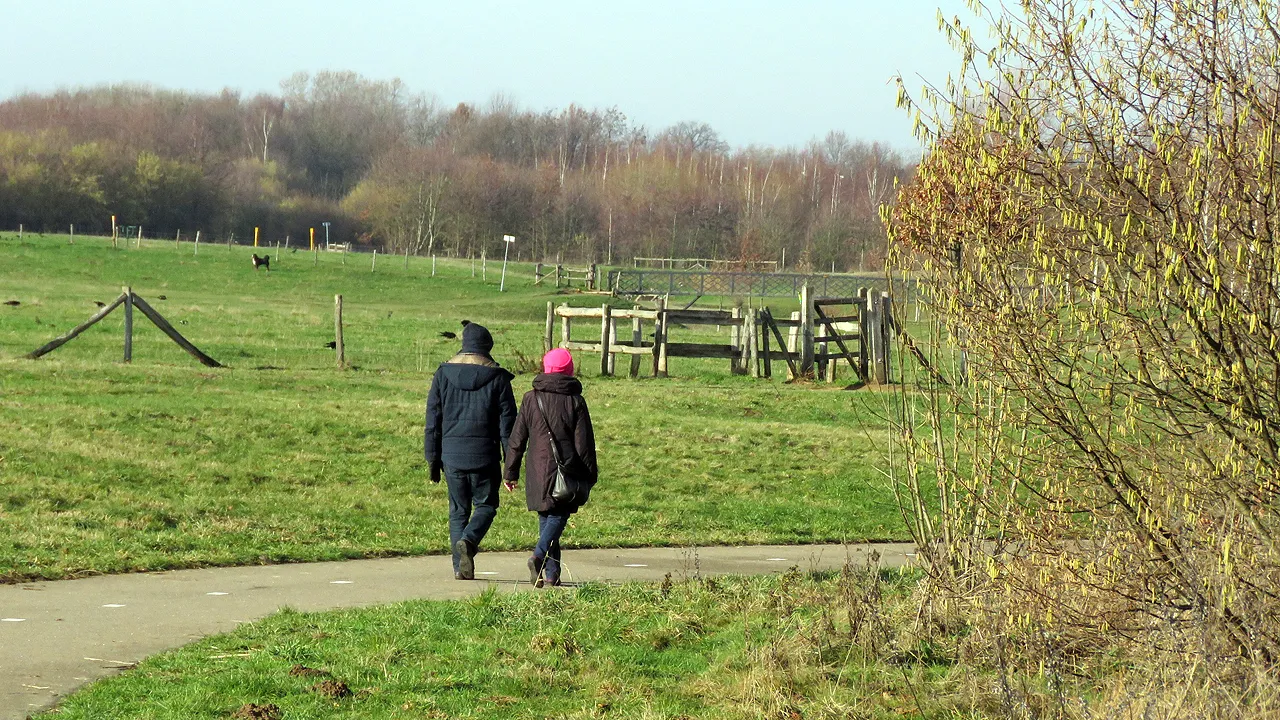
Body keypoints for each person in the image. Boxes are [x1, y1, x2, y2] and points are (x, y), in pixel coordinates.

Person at [424, 322, 517, 580]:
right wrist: (511, 467)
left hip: (451, 456)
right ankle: (470, 540)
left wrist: (432, 459)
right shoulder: (498, 379)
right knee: (486, 505)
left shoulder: (442, 374)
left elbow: (433, 421)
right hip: (485, 457)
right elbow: (508, 428)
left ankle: (459, 567)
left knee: (458, 511)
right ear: (487, 347)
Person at [504, 348, 598, 587]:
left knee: (547, 516)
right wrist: (589, 475)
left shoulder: (530, 398)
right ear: (570, 370)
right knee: (557, 515)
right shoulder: (575, 401)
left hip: (536, 468)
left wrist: (511, 472)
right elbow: (584, 444)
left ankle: (551, 573)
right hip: (566, 470)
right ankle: (538, 555)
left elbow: (517, 439)